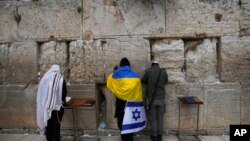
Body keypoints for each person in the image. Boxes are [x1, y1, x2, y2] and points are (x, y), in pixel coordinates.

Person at [107, 58, 145, 141]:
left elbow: (109, 82)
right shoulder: (135, 75)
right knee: (130, 120)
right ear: (129, 65)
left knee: (121, 121)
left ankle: (124, 138)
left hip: (120, 103)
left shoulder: (115, 74)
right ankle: (130, 138)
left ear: (121, 65)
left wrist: (115, 70)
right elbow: (138, 90)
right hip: (131, 103)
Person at [36, 64, 67, 141]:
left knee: (48, 124)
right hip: (57, 107)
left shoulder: (45, 78)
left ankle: (49, 138)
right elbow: (64, 94)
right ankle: (56, 138)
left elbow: (41, 91)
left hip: (46, 106)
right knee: (56, 125)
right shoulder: (61, 79)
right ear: (58, 70)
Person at [141, 60, 168, 141]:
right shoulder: (163, 72)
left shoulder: (148, 71)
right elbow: (166, 81)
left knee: (153, 118)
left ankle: (154, 136)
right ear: (158, 64)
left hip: (152, 99)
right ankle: (160, 135)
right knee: (160, 118)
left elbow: (143, 81)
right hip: (161, 99)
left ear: (152, 65)